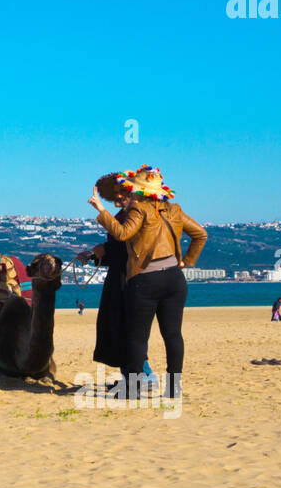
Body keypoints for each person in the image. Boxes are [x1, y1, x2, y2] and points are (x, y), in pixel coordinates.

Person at [90, 165, 207, 399]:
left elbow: (123, 234)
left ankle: (133, 388)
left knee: (136, 337)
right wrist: (186, 262)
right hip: (174, 277)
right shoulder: (174, 209)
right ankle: (173, 388)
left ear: (137, 191)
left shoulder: (138, 209)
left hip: (145, 279)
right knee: (173, 335)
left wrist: (100, 209)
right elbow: (200, 234)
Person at [77, 172, 156, 385]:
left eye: (123, 192)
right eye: (116, 194)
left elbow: (127, 243)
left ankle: (145, 376)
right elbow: (119, 247)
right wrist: (95, 254)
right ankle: (135, 376)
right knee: (121, 326)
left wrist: (103, 248)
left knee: (126, 327)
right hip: (121, 276)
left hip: (129, 277)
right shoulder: (125, 215)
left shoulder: (136, 214)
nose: (118, 197)